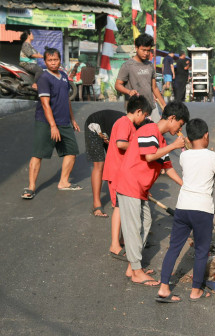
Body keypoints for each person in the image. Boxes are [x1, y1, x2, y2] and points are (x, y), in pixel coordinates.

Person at [156, 118, 215, 303]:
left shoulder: (184, 156)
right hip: (203, 209)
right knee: (201, 250)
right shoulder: (213, 157)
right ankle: (195, 290)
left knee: (174, 246)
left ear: (188, 138)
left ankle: (164, 287)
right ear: (206, 135)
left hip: (183, 206)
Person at [116, 102, 189, 286]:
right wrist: (174, 147)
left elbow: (168, 168)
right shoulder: (150, 130)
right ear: (171, 118)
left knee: (145, 222)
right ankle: (137, 271)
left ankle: (133, 266)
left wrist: (185, 185)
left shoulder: (161, 139)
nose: (179, 129)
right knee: (134, 227)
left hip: (140, 189)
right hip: (130, 184)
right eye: (179, 125)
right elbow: (150, 156)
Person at [21, 48, 81, 200]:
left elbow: (67, 99)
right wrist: (53, 126)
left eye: (55, 60)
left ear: (60, 60)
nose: (53, 63)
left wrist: (72, 119)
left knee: (72, 152)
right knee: (38, 154)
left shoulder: (64, 77)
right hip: (46, 122)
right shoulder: (44, 77)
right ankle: (31, 187)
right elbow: (45, 103)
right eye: (50, 60)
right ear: (45, 61)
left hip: (64, 121)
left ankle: (63, 182)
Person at [102, 96, 152, 261]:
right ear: (138, 111)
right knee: (118, 206)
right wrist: (141, 147)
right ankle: (114, 244)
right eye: (144, 115)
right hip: (117, 171)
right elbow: (121, 143)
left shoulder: (127, 123)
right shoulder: (124, 123)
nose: (143, 119)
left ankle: (122, 239)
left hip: (121, 171)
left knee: (121, 206)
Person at [115, 33, 165, 123]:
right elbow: (118, 85)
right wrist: (129, 92)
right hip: (134, 110)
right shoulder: (127, 65)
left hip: (151, 108)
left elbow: (155, 88)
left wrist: (164, 105)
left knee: (156, 133)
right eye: (143, 50)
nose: (146, 53)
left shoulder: (150, 65)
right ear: (136, 48)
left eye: (148, 51)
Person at [85, 109, 125, 218]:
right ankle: (96, 204)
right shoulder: (126, 126)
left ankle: (117, 198)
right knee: (99, 164)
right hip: (94, 125)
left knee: (119, 163)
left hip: (110, 131)